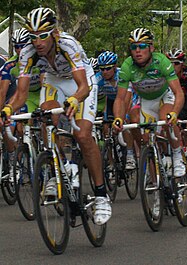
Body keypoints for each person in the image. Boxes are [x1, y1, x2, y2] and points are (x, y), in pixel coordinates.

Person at [1, 7, 111, 225]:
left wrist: (74, 100)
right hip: (54, 80)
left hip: (81, 82)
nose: (38, 42)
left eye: (42, 35)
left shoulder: (68, 44)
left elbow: (83, 87)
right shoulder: (27, 53)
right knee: (45, 115)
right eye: (33, 37)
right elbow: (21, 94)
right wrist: (7, 109)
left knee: (82, 135)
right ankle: (58, 168)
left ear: (53, 32)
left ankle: (100, 195)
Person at [113, 27, 186, 177]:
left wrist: (174, 113)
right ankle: (156, 180)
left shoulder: (162, 61)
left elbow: (178, 92)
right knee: (146, 140)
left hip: (164, 96)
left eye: (142, 46)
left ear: (151, 48)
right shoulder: (127, 66)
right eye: (133, 47)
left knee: (166, 119)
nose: (137, 51)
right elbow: (120, 99)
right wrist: (118, 118)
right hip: (146, 100)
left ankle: (178, 155)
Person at [0, 28, 44, 180]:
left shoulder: (40, 59)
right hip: (28, 96)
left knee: (48, 118)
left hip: (43, 91)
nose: (19, 50)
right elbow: (3, 91)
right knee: (20, 127)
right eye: (16, 46)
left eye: (23, 46)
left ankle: (46, 152)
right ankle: (22, 152)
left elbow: (46, 82)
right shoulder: (10, 65)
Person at [96, 51, 136, 169]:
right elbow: (90, 97)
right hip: (111, 101)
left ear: (114, 67)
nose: (104, 72)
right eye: (102, 69)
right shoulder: (98, 79)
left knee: (125, 123)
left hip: (127, 99)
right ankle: (111, 162)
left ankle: (130, 155)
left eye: (108, 68)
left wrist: (124, 116)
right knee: (105, 127)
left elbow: (126, 100)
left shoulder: (122, 75)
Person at [166, 49, 187, 170]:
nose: (173, 66)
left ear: (182, 64)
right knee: (174, 127)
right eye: (170, 63)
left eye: (176, 63)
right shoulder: (166, 74)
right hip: (176, 103)